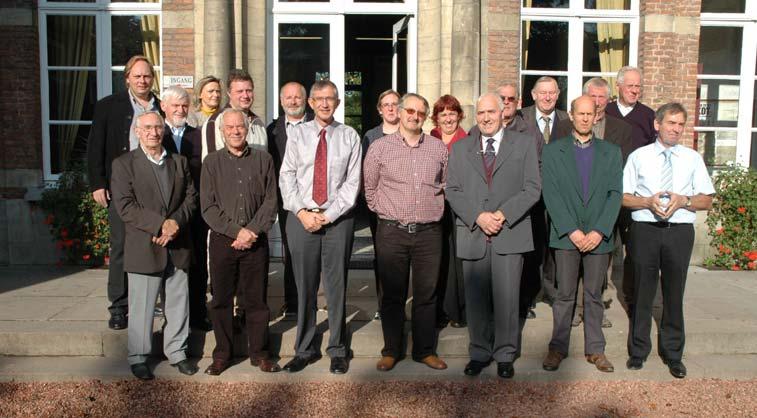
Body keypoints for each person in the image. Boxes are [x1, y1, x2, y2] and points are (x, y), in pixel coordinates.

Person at [446, 93, 541, 379]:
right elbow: (452, 190)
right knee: (475, 299)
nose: (486, 118)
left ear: (503, 113)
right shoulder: (461, 148)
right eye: (481, 113)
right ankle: (478, 352)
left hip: (510, 232)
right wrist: (478, 216)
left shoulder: (524, 145)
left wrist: (501, 215)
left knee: (508, 298)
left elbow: (532, 188)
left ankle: (505, 353)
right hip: (474, 232)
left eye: (491, 112)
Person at [623, 102, 714, 379]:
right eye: (671, 123)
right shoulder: (638, 157)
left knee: (674, 294)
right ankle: (638, 352)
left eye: (680, 124)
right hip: (645, 230)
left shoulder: (692, 158)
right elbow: (623, 197)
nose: (676, 129)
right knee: (642, 294)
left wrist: (684, 199)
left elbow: (707, 199)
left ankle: (673, 354)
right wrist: (647, 201)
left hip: (679, 232)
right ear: (657, 125)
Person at [279, 80, 361, 374]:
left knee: (336, 286)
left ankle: (338, 349)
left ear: (338, 103)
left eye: (331, 99)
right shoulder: (297, 135)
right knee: (305, 288)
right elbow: (286, 176)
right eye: (319, 99)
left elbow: (352, 183)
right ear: (311, 103)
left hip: (337, 220)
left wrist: (327, 215)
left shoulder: (350, 136)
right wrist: (302, 212)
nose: (325, 104)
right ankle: (304, 349)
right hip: (301, 220)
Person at [364, 93, 449, 372]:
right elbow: (370, 189)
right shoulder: (379, 147)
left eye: (421, 112)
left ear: (426, 117)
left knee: (427, 294)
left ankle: (424, 350)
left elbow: (446, 185)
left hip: (428, 233)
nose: (415, 116)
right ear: (399, 113)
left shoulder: (438, 148)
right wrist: (387, 213)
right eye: (410, 110)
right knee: (392, 295)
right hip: (392, 231)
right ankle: (392, 350)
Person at [110, 111, 198, 380]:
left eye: (158, 127)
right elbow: (125, 206)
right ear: (137, 131)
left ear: (164, 131)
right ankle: (138, 357)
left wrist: (174, 225)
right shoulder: (124, 164)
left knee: (178, 304)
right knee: (142, 307)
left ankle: (178, 352)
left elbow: (191, 199)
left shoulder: (179, 162)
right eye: (147, 127)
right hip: (145, 244)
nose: (153, 132)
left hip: (177, 244)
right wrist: (161, 225)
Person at [540, 95, 622, 373]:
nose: (586, 118)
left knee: (594, 295)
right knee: (564, 295)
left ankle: (596, 350)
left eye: (591, 113)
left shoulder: (611, 152)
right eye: (581, 113)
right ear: (572, 116)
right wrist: (571, 230)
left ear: (597, 116)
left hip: (599, 237)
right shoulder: (553, 152)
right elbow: (551, 194)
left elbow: (615, 194)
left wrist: (600, 230)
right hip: (566, 236)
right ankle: (557, 348)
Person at [201, 109, 281, 375]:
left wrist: (252, 231)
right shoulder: (211, 163)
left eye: (240, 127)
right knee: (221, 300)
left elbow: (271, 201)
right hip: (224, 242)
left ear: (247, 129)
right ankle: (222, 353)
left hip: (255, 242)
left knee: (256, 301)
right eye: (230, 127)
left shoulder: (263, 159)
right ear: (222, 131)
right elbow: (208, 207)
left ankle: (260, 353)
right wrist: (237, 232)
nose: (235, 131)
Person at [87, 55, 162, 330]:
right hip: (121, 186)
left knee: (154, 243)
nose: (143, 80)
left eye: (147, 76)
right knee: (119, 246)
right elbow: (95, 147)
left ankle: (153, 300)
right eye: (138, 76)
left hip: (155, 187)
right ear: (127, 78)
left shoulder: (161, 107)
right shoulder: (109, 106)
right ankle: (119, 306)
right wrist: (97, 182)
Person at [553, 77, 633, 328]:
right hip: (570, 219)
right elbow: (556, 180)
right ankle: (570, 320)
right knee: (567, 283)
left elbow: (617, 182)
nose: (594, 107)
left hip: (601, 218)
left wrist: (601, 227)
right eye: (591, 98)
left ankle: (596, 320)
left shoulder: (619, 131)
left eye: (600, 99)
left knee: (598, 277)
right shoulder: (563, 133)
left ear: (605, 104)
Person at [159, 85, 211, 332]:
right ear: (164, 107)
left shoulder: (198, 135)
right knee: (169, 265)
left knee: (198, 263)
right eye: (175, 105)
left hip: (196, 209)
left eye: (184, 106)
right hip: (166, 211)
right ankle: (172, 316)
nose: (180, 110)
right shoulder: (156, 134)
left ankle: (199, 314)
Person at [520, 76, 569, 306]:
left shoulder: (566, 119)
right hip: (529, 193)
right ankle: (530, 293)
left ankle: (550, 290)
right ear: (533, 95)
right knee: (531, 243)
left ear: (558, 95)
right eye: (543, 92)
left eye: (552, 93)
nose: (547, 97)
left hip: (558, 193)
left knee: (553, 243)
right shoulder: (521, 118)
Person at [267, 81, 313, 320]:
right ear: (281, 100)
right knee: (291, 252)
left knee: (317, 254)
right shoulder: (271, 130)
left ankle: (315, 301)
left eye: (298, 97)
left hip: (316, 201)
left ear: (305, 100)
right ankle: (293, 303)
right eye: (289, 97)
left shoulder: (319, 125)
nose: (293, 101)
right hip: (287, 201)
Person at [361, 89, 401, 321]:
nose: (390, 108)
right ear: (379, 109)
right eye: (385, 104)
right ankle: (383, 304)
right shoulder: (371, 136)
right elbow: (366, 173)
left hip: (404, 207)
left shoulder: (409, 132)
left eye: (395, 103)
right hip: (379, 208)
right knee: (383, 257)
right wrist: (373, 203)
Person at [429, 94, 467, 329]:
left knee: (457, 259)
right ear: (436, 118)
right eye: (443, 114)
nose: (448, 118)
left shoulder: (469, 139)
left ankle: (457, 310)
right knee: (436, 258)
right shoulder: (429, 138)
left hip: (459, 207)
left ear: (459, 115)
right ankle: (438, 310)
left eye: (452, 113)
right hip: (433, 206)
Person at [201, 69, 267, 160]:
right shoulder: (215, 122)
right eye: (240, 91)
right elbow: (211, 165)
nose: (245, 96)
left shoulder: (259, 123)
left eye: (249, 90)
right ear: (229, 93)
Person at [606, 66, 657, 149]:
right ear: (618, 86)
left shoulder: (649, 116)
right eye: (630, 86)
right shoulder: (606, 112)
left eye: (637, 86)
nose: (634, 91)